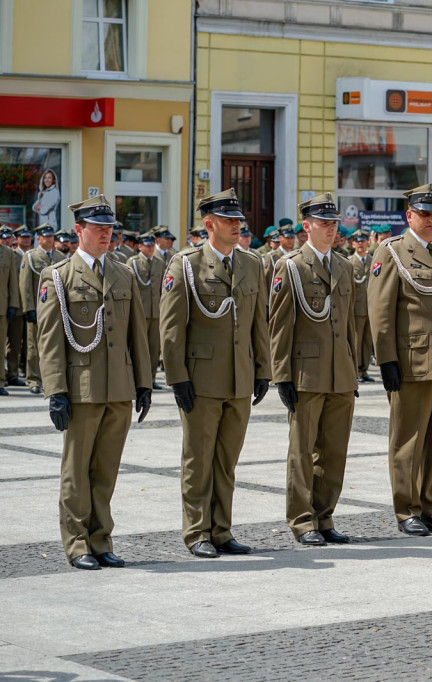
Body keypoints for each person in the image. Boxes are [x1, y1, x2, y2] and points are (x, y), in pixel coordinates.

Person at [37, 195, 152, 569]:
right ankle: (77, 544)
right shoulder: (57, 276)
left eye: (109, 228)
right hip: (82, 389)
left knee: (105, 471)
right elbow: (50, 340)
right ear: (79, 230)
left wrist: (143, 383)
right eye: (98, 228)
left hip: (118, 387)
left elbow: (138, 334)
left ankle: (101, 539)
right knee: (76, 471)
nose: (106, 234)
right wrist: (56, 391)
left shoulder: (123, 272)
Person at [160, 188, 271, 558]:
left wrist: (262, 369)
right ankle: (196, 532)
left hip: (239, 378)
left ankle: (221, 529)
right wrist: (177, 378)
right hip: (202, 379)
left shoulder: (252, 263)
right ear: (209, 224)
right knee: (198, 459)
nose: (237, 225)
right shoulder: (186, 264)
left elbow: (260, 322)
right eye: (229, 220)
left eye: (239, 220)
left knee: (227, 461)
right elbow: (172, 328)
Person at [367, 183, 432, 536]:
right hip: (412, 360)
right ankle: (406, 508)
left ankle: (429, 505)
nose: (431, 220)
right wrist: (386, 360)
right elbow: (380, 310)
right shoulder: (392, 251)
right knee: (408, 439)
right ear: (408, 216)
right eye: (424, 214)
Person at [270, 192, 358, 546]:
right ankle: (302, 519)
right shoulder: (290, 266)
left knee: (334, 450)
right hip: (306, 372)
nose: (330, 229)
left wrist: (353, 367)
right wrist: (282, 375)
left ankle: (325, 516)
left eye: (334, 223)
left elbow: (350, 323)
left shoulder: (344, 265)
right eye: (323, 223)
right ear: (306, 227)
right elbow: (279, 324)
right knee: (302, 450)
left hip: (340, 371)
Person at [20, 223, 65, 394]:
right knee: (34, 346)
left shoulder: (60, 256)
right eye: (45, 237)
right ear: (38, 239)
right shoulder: (31, 257)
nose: (49, 240)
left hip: (57, 309)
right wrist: (28, 308)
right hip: (38, 308)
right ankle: (33, 379)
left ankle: (52, 379)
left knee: (55, 345)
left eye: (51, 237)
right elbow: (25, 285)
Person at [126, 230, 166, 389]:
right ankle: (137, 379)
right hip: (140, 312)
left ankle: (151, 378)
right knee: (139, 347)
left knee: (154, 348)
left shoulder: (159, 262)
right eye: (147, 246)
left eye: (152, 246)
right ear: (140, 246)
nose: (150, 249)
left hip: (155, 311)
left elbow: (162, 286)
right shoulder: (133, 262)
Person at [6, 227, 31, 388]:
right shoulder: (12, 255)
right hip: (9, 303)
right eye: (23, 237)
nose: (26, 240)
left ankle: (13, 373)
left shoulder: (29, 255)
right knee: (7, 343)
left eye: (28, 237)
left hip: (22, 305)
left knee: (18, 343)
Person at [348, 230, 374, 383]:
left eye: (363, 241)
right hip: (356, 308)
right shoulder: (349, 262)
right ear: (353, 244)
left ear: (367, 243)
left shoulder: (373, 261)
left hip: (370, 307)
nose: (360, 244)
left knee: (367, 340)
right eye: (357, 241)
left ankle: (364, 370)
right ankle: (356, 370)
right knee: (356, 340)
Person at [0, 228, 18, 396]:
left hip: (2, 307)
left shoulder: (8, 253)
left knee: (0, 347)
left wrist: (13, 304)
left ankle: (0, 381)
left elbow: (13, 281)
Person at [262, 225, 295, 293]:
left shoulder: (295, 254)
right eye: (287, 237)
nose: (290, 240)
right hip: (277, 295)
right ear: (280, 238)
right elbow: (268, 281)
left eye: (292, 237)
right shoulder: (272, 256)